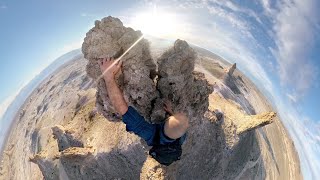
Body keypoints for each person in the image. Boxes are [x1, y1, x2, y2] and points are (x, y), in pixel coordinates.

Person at [99, 57, 189, 166]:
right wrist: (171, 112)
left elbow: (121, 108)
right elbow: (178, 126)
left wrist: (108, 77)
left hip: (156, 139)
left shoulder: (148, 132)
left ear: (166, 120)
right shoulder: (182, 136)